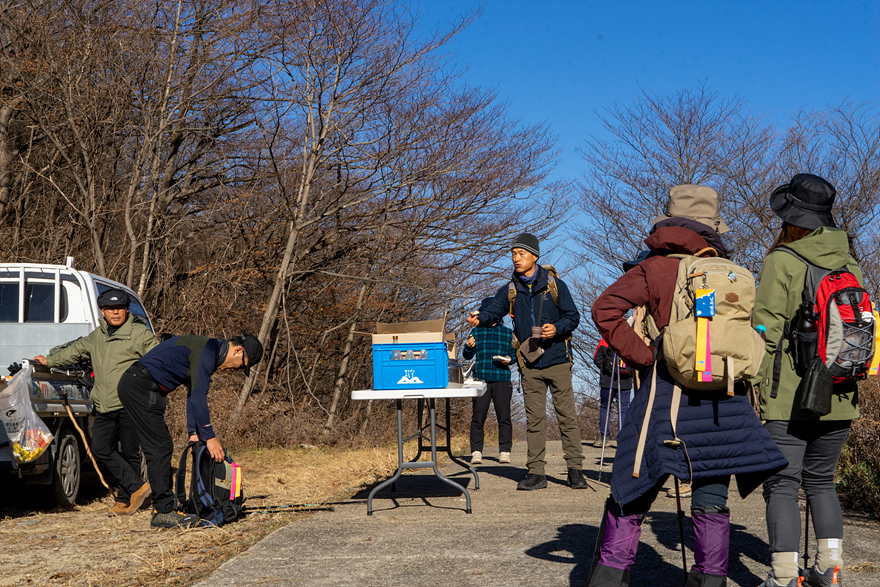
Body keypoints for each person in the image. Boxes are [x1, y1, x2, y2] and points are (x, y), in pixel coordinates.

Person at [589, 185, 788, 587]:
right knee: (712, 494)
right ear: (711, 228)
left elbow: (604, 308)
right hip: (723, 395)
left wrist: (645, 356)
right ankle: (711, 579)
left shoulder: (654, 269)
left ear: (668, 223)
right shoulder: (728, 271)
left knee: (632, 486)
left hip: (666, 392)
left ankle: (610, 576)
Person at [753, 174, 862, 587]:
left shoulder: (782, 261)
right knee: (821, 482)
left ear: (791, 218)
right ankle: (829, 570)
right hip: (841, 393)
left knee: (782, 484)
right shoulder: (850, 263)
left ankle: (783, 576)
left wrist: (757, 388)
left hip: (789, 397)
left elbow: (764, 331)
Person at [467, 233, 587, 490]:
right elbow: (493, 310)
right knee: (535, 421)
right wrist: (480, 317)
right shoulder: (510, 290)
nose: (516, 258)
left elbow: (573, 316)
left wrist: (556, 329)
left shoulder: (556, 286)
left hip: (558, 360)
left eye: (521, 253)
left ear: (535, 256)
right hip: (529, 364)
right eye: (513, 254)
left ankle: (575, 470)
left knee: (567, 417)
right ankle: (536, 473)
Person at [117, 334, 263, 529]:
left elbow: (193, 393)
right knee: (159, 447)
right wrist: (209, 438)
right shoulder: (207, 353)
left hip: (140, 386)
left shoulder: (209, 350)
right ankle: (163, 512)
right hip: (140, 387)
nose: (235, 370)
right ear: (238, 351)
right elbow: (199, 398)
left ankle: (165, 509)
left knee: (160, 446)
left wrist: (194, 433)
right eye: (241, 366)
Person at [35, 289, 157, 515]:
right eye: (110, 309)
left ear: (126, 310)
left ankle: (125, 498)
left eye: (119, 308)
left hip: (130, 405)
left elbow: (158, 360)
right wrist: (49, 360)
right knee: (100, 449)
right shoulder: (97, 336)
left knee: (130, 453)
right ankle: (137, 487)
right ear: (102, 312)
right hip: (103, 403)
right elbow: (75, 351)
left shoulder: (140, 334)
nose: (115, 312)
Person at [462, 297, 517, 464]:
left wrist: (510, 360)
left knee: (504, 417)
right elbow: (467, 356)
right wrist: (468, 347)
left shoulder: (507, 332)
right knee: (478, 417)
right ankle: (476, 452)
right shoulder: (476, 331)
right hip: (481, 379)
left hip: (502, 378)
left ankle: (505, 451)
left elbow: (514, 355)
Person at [591, 336, 631, 449]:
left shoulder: (605, 340)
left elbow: (597, 359)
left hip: (607, 381)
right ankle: (622, 439)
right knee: (623, 409)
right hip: (625, 381)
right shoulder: (630, 339)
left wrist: (606, 370)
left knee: (605, 408)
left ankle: (604, 438)